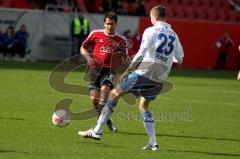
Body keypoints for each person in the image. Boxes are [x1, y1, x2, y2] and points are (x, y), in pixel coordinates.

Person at [78, 5, 184, 150]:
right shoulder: (174, 34)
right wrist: (164, 60)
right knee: (144, 106)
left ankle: (97, 131)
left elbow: (141, 53)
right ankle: (153, 143)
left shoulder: (150, 30)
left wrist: (128, 70)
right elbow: (180, 58)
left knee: (114, 94)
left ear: (153, 17)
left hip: (143, 73)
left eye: (151, 17)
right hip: (159, 78)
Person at [80, 11, 129, 132]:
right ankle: (106, 120)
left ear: (116, 24)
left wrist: (124, 65)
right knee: (94, 100)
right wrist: (88, 58)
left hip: (110, 70)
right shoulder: (95, 34)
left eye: (112, 24)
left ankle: (98, 128)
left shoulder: (121, 40)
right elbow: (83, 47)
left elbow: (125, 58)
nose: (109, 26)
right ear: (104, 23)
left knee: (105, 90)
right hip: (95, 70)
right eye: (107, 23)